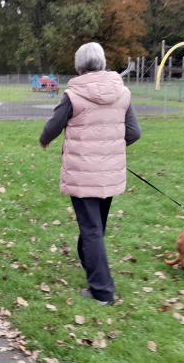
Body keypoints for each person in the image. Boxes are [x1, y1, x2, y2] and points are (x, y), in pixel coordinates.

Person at [39, 42, 141, 306]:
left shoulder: (73, 95)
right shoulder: (123, 93)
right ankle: (90, 263)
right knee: (96, 227)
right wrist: (111, 148)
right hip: (108, 173)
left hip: (84, 173)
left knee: (92, 230)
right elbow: (134, 132)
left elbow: (54, 125)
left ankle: (102, 291)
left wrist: (44, 139)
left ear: (79, 65)